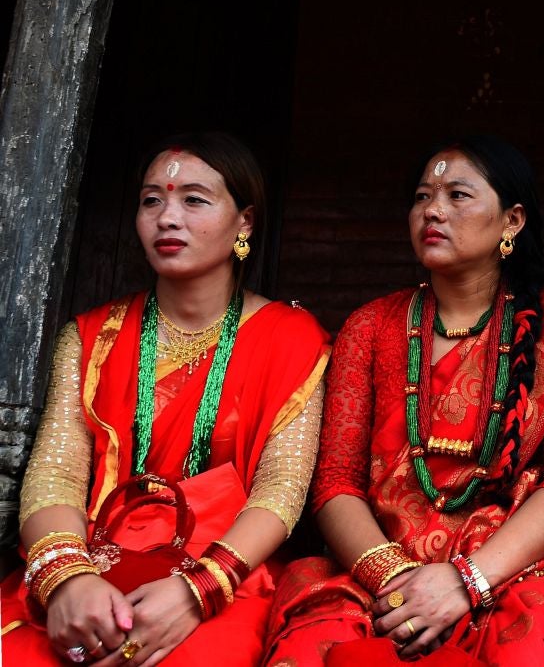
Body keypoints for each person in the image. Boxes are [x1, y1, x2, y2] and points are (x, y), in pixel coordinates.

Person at [264, 136, 544, 667]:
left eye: (458, 195)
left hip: (513, 570)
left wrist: (465, 580)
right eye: (423, 196)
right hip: (373, 573)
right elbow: (335, 480)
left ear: (512, 221)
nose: (432, 210)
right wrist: (396, 580)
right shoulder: (372, 326)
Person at [1, 132, 331, 667]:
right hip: (94, 559)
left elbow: (282, 490)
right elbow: (56, 472)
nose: (167, 217)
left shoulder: (292, 340)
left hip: (228, 571)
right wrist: (65, 579)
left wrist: (198, 589)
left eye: (193, 199)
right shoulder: (92, 336)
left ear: (244, 222)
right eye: (152, 200)